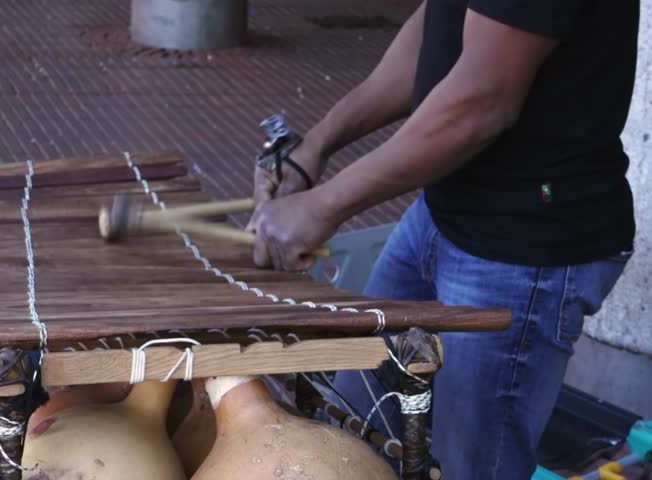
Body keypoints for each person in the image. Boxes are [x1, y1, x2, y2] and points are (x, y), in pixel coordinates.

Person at [247, 0, 639, 478]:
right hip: (439, 216)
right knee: (353, 435)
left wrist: (324, 205)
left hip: (523, 249)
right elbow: (441, 27)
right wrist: (314, 150)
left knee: (466, 469)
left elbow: (483, 96)